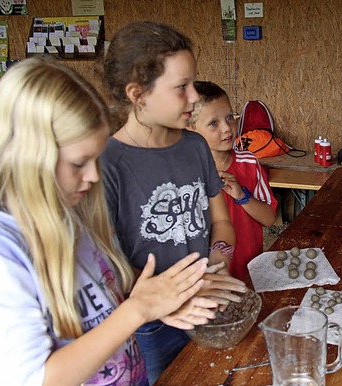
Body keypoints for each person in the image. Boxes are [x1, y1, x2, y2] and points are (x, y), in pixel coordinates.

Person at [0, 58, 218, 385]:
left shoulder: (70, 220)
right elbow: (34, 378)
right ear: (27, 157)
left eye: (95, 160)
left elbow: (106, 293)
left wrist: (161, 300)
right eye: (79, 163)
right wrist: (138, 310)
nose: (93, 176)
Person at [101, 21, 247, 383]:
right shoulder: (107, 163)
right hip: (150, 324)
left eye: (193, 84)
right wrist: (170, 298)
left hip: (206, 300)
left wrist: (219, 261)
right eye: (182, 87)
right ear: (138, 94)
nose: (195, 96)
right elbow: (108, 264)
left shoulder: (195, 146)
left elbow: (221, 221)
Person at [188, 81, 278, 280]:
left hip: (249, 269)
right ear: (190, 129)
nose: (227, 128)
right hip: (208, 276)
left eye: (230, 117)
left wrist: (242, 195)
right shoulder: (185, 174)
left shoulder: (249, 163)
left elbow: (270, 218)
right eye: (214, 123)